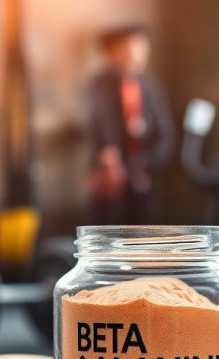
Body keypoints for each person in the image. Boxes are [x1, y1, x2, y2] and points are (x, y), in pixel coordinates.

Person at [86, 24, 174, 225]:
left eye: (140, 48)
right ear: (112, 52)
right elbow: (96, 120)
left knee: (143, 229)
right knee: (108, 229)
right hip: (110, 176)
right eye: (126, 47)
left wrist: (145, 162)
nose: (134, 54)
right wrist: (108, 151)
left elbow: (165, 134)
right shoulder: (99, 85)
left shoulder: (150, 88)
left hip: (144, 173)